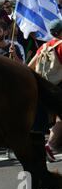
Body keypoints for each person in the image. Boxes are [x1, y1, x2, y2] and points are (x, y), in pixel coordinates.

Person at [28, 19, 62, 161]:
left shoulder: (44, 47)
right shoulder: (60, 46)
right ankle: (50, 145)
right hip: (59, 86)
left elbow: (30, 65)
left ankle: (47, 146)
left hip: (44, 86)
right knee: (60, 119)